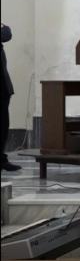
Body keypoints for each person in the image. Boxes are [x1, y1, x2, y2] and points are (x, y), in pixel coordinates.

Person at [1, 23, 20, 172]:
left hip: (2, 86)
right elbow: (4, 34)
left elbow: (7, 34)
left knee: (3, 125)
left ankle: (1, 159)